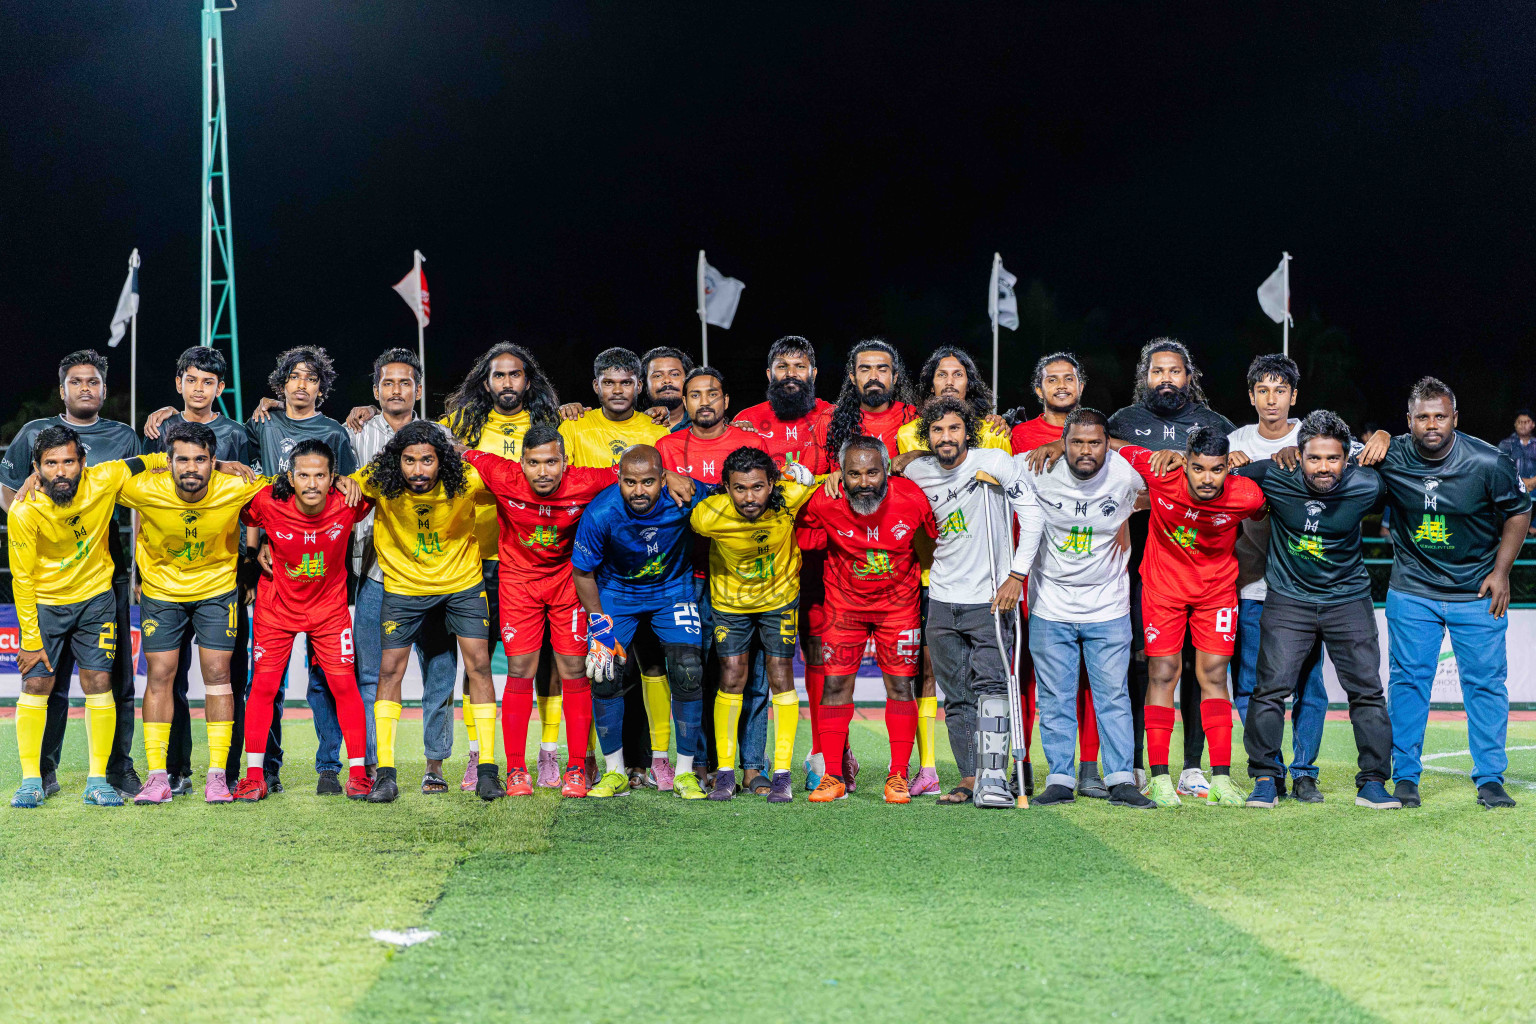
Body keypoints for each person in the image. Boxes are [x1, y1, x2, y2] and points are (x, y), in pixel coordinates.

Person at [1376, 378, 1531, 809]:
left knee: (1486, 685)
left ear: (1454, 418)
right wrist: (1380, 437)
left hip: (1477, 592)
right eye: (1422, 417)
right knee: (1408, 683)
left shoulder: (1488, 460)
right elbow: (1334, 451)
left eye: (1440, 416)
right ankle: (1405, 776)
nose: (1431, 424)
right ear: (1408, 421)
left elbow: (1519, 511)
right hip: (1413, 591)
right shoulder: (1390, 455)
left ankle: (1490, 778)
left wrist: (1502, 572)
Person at [1232, 411, 1399, 809]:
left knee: (1367, 692)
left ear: (1347, 458)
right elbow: (1218, 477)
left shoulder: (1367, 484)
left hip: (1348, 600)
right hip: (1289, 600)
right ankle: (1266, 778)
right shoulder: (1274, 475)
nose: (1323, 467)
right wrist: (1233, 461)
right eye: (1314, 458)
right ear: (1298, 454)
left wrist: (1384, 431)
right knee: (1269, 691)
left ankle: (1373, 782)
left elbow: (1412, 468)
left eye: (1332, 459)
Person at [0, 350, 143, 798]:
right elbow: (8, 499)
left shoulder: (120, 441)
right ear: (62, 389)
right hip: (46, 585)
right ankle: (38, 776)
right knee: (44, 681)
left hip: (104, 576)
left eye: (94, 381)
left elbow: (158, 472)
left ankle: (110, 775)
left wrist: (218, 464)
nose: (86, 388)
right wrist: (47, 522)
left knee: (109, 680)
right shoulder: (31, 439)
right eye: (76, 381)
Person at [891, 397, 1043, 808]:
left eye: (954, 429)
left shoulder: (994, 462)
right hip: (941, 597)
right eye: (937, 430)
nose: (946, 437)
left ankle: (996, 778)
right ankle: (969, 778)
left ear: (967, 432)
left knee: (993, 687)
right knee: (955, 695)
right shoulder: (917, 471)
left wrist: (1017, 575)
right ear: (927, 436)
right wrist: (898, 463)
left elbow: (1032, 514)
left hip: (990, 597)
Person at [7, 427, 163, 807]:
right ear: (36, 467)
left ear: (83, 463)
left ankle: (97, 780)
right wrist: (30, 638)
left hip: (96, 601)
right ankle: (31, 780)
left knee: (99, 682)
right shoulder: (24, 510)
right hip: (46, 605)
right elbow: (22, 579)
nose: (60, 471)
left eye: (68, 462)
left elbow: (157, 459)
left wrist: (222, 462)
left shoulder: (105, 477)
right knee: (37, 686)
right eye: (50, 464)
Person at [1107, 338, 1236, 798]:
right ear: (1146, 377)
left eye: (1175, 371)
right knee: (1143, 666)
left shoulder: (1216, 424)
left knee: (1199, 669)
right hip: (1141, 566)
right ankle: (1141, 764)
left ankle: (1194, 766)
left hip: (1202, 570)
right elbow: (1100, 446)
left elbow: (1237, 471)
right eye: (1158, 371)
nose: (1166, 378)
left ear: (1189, 376)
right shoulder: (1125, 421)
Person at [116, 420, 266, 804]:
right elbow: (99, 477)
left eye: (201, 459)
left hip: (217, 593)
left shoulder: (236, 485)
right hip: (162, 594)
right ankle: (157, 777)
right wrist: (34, 479)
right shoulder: (144, 486)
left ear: (213, 460)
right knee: (160, 677)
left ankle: (217, 776)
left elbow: (293, 486)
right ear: (168, 461)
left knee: (218, 676)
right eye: (181, 459)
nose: (191, 467)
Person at [461, 424, 614, 798]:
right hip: (519, 585)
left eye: (551, 462)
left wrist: (672, 474)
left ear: (565, 462)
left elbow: (635, 471)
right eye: (534, 463)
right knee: (519, 671)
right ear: (521, 463)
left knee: (575, 670)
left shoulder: (587, 481)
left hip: (567, 583)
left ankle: (576, 766)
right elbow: (464, 451)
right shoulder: (502, 475)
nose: (543, 471)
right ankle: (516, 770)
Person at [353, 421, 502, 802]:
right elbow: (337, 486)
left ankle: (487, 770)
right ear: (396, 461)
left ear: (442, 461)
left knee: (479, 667)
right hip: (404, 587)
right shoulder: (379, 479)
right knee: (389, 671)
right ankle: (385, 774)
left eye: (427, 461)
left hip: (461, 585)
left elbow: (512, 488)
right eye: (408, 461)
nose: (418, 470)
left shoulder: (466, 479)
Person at [142, 346, 267, 796]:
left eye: (208, 382)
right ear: (179, 383)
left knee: (229, 675)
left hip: (223, 575)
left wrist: (249, 565)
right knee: (168, 676)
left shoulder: (236, 434)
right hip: (166, 575)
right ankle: (175, 770)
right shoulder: (160, 429)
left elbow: (252, 505)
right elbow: (145, 495)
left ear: (220, 387)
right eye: (191, 380)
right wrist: (140, 569)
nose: (199, 389)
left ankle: (228, 770)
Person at [1119, 426, 1264, 808]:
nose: (1207, 479)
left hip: (1216, 593)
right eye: (1198, 468)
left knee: (1214, 676)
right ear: (1185, 463)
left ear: (1227, 467)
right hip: (1163, 591)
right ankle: (1161, 778)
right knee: (1162, 673)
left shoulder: (1244, 493)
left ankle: (1220, 779)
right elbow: (1112, 444)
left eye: (1216, 470)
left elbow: (1268, 501)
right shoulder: (1161, 472)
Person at [1016, 410, 1154, 809]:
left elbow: (1167, 481)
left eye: (1095, 442)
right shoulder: (1039, 468)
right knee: (1055, 697)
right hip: (1051, 605)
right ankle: (1059, 778)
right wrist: (909, 460)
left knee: (1113, 696)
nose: (1086, 450)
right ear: (1064, 442)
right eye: (1076, 442)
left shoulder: (1125, 472)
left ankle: (1121, 779)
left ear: (1107, 443)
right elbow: (986, 467)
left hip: (1108, 606)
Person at [441, 342, 564, 787]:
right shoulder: (461, 426)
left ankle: (548, 753)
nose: (507, 383)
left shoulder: (550, 424)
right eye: (498, 375)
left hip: (536, 562)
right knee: (477, 663)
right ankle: (479, 755)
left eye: (515, 375)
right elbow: (414, 443)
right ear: (485, 381)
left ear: (528, 381)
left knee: (546, 665)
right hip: (475, 561)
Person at [894, 345, 1011, 795]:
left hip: (986, 579)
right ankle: (945, 770)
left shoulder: (993, 433)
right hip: (932, 573)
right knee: (942, 679)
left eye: (957, 374)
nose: (948, 381)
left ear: (970, 383)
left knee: (990, 681)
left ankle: (994, 771)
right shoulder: (908, 436)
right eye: (940, 374)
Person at [655, 368, 776, 792]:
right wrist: (662, 473)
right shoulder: (666, 448)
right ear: (683, 403)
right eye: (694, 395)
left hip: (743, 576)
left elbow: (768, 499)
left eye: (712, 393)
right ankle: (702, 761)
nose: (703, 401)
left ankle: (752, 764)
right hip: (687, 575)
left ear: (726, 400)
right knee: (697, 673)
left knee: (753, 676)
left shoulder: (751, 444)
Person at [559, 348, 673, 786]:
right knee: (604, 665)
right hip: (590, 564)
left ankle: (645, 763)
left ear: (638, 386)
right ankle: (591, 758)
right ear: (595, 388)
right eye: (609, 383)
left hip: (648, 565)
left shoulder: (655, 428)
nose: (618, 390)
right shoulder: (575, 427)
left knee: (653, 666)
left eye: (626, 382)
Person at [800, 436, 936, 804]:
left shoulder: (912, 497)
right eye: (854, 473)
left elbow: (940, 539)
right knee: (835, 687)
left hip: (899, 608)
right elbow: (798, 526)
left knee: (900, 688)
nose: (864, 482)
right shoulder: (824, 500)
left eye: (872, 472)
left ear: (886, 470)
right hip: (844, 609)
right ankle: (832, 775)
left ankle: (898, 776)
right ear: (841, 475)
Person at [236, 440, 373, 801]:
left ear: (332, 478)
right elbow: (242, 508)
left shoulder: (349, 503)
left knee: (344, 687)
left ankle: (358, 773)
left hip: (329, 611)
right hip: (276, 607)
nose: (312, 484)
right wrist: (258, 548)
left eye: (320, 475)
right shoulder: (267, 501)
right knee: (263, 689)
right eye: (304, 475)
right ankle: (254, 776)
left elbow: (387, 480)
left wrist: (353, 480)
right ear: (291, 478)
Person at [574, 446, 711, 798]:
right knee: (605, 674)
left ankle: (684, 774)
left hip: (672, 591)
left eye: (648, 482)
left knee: (688, 670)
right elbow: (583, 573)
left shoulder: (685, 495)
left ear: (664, 479)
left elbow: (731, 496)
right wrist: (600, 627)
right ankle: (615, 772)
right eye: (630, 482)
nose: (639, 491)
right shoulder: (602, 511)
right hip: (618, 594)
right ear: (619, 479)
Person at [349, 349, 457, 791]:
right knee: (372, 674)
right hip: (375, 572)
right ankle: (377, 765)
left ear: (418, 389)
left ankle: (435, 765)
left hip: (434, 572)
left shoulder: (443, 437)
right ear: (375, 391)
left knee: (440, 670)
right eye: (387, 383)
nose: (396, 390)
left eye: (405, 382)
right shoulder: (352, 434)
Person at [732, 336, 834, 793]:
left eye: (799, 365)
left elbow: (857, 474)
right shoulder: (747, 422)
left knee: (824, 665)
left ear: (813, 373)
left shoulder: (833, 418)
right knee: (757, 672)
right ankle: (753, 766)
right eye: (781, 366)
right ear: (768, 374)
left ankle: (827, 758)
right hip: (762, 566)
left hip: (823, 561)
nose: (790, 373)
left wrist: (821, 479)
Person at [1224, 353, 1329, 799]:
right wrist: (1229, 465)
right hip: (1251, 584)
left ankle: (1305, 770)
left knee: (1309, 685)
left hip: (1306, 587)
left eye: (1280, 390)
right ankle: (1268, 769)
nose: (1272, 399)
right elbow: (1199, 481)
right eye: (1263, 390)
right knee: (1250, 685)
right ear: (1251, 396)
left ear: (1294, 396)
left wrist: (1381, 433)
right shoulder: (1234, 441)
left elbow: (1359, 457)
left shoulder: (1314, 435)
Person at [691, 447, 821, 801]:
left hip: (778, 601)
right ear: (726, 487)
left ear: (773, 484)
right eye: (740, 489)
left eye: (758, 487)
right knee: (732, 677)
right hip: (730, 604)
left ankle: (781, 773)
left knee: (780, 677)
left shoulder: (791, 496)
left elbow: (824, 483)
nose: (749, 498)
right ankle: (724, 773)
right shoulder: (707, 516)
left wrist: (814, 474)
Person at [640, 346, 695, 432]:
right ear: (645, 385)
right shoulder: (634, 426)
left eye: (675, 374)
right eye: (658, 376)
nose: (667, 380)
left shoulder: (703, 424)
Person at [1497, 410, 1536, 518]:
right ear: (1515, 424)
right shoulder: (1505, 444)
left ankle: (1533, 527)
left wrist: (1532, 481)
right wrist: (1521, 482)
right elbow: (1501, 468)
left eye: (1526, 422)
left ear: (1533, 424)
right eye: (1519, 422)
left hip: (1534, 484)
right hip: (1513, 484)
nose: (1523, 425)